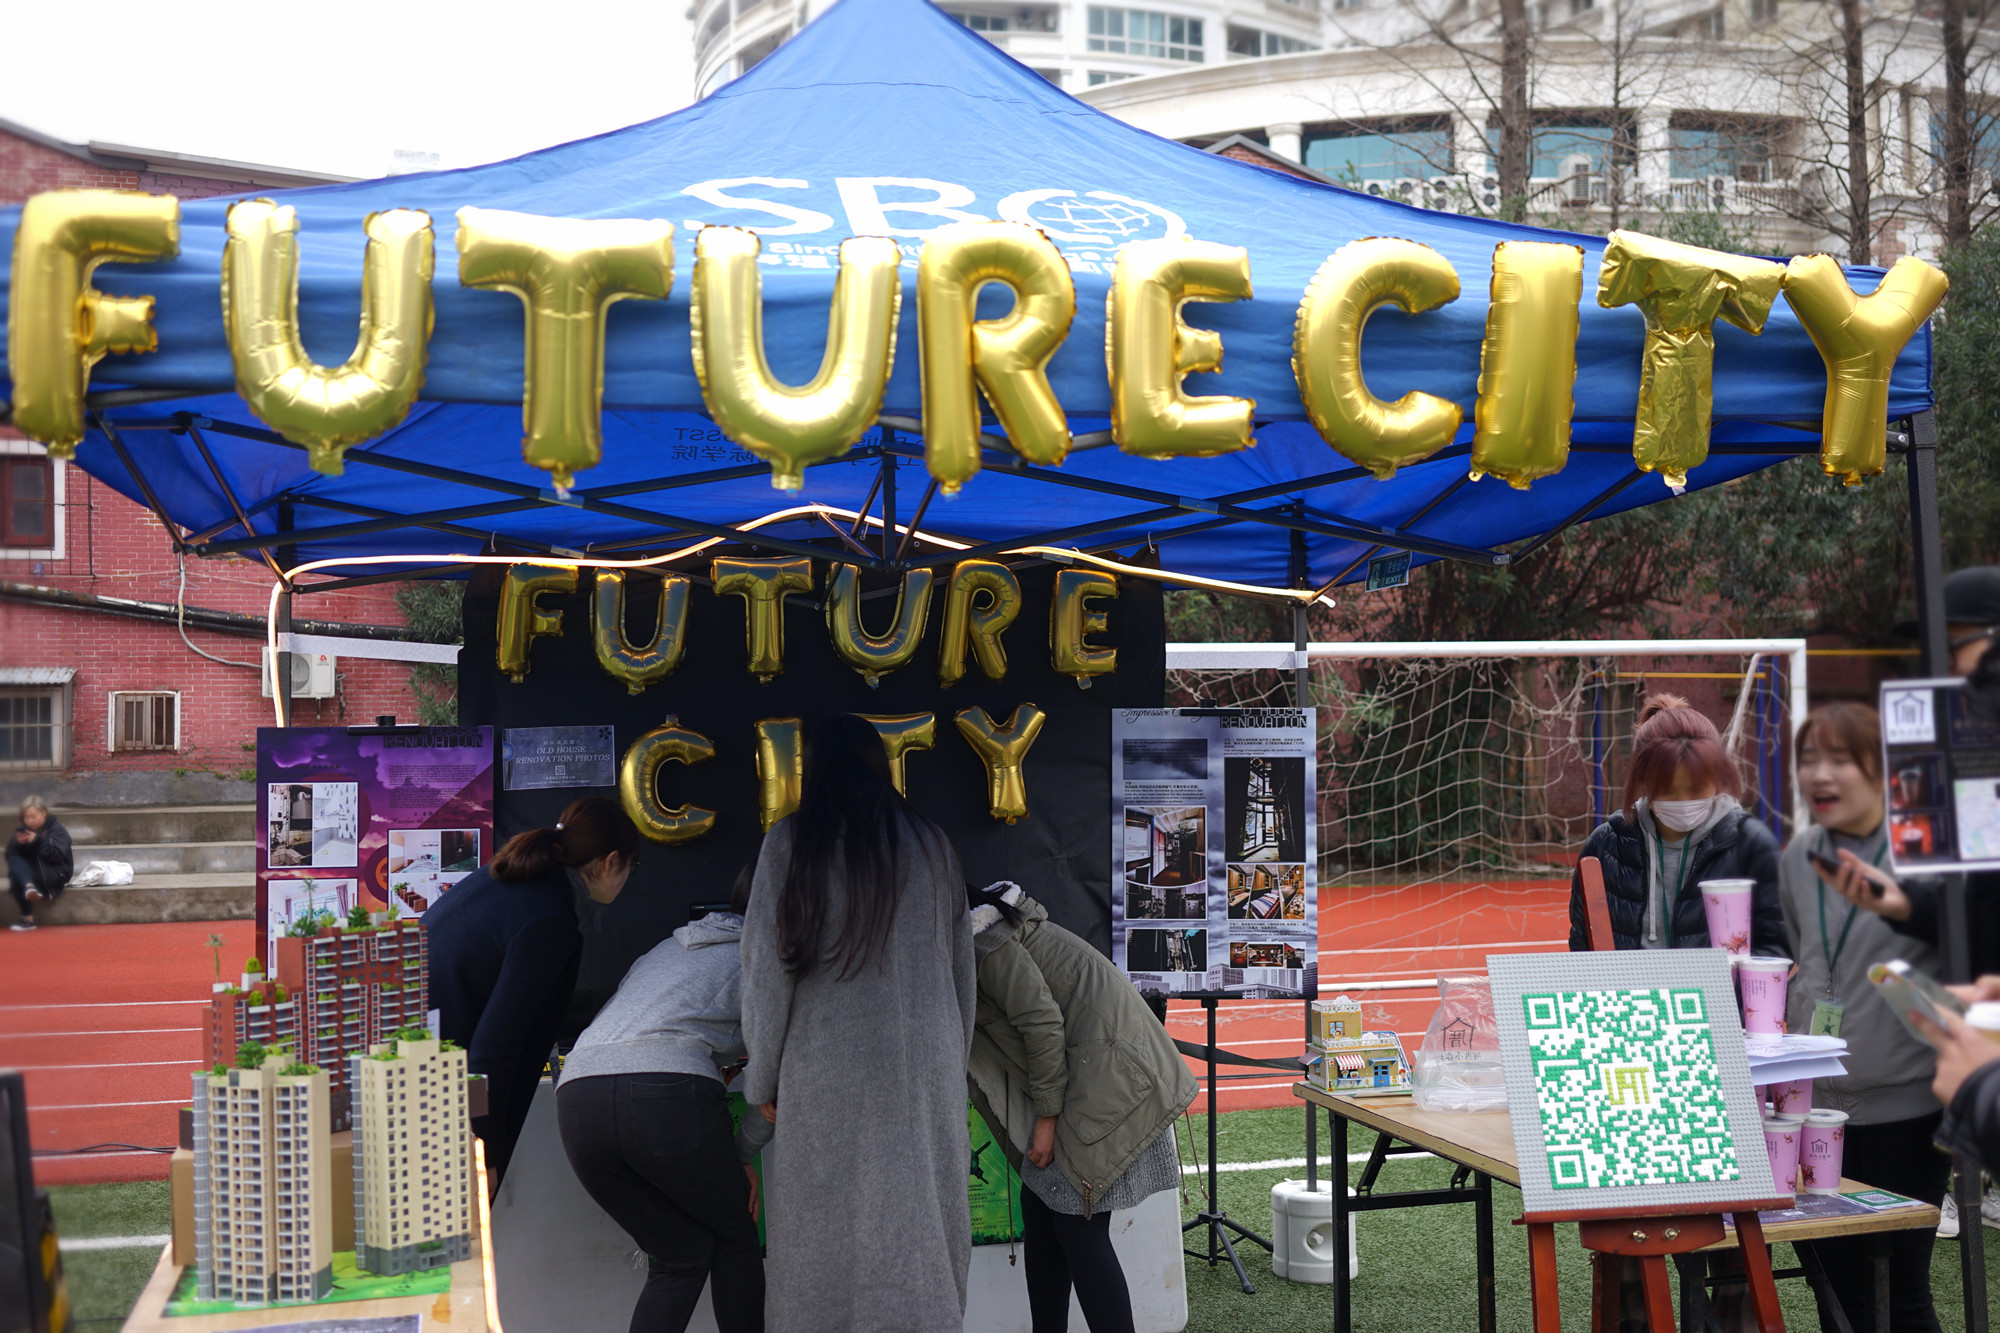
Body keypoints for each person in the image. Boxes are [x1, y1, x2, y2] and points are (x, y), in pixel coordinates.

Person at [740, 714, 976, 1333]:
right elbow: (963, 974)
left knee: (822, 1238)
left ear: (811, 770)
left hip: (827, 1069)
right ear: (881, 765)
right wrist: (948, 1067)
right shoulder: (934, 844)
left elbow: (766, 973)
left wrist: (762, 1080)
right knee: (923, 1225)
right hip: (925, 1066)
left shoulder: (791, 843)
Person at [1778, 703, 1948, 1333]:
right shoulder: (1798, 856)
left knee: (1899, 1294)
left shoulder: (1926, 853)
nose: (1819, 774)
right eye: (1808, 759)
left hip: (1906, 1113)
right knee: (1836, 1291)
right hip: (1814, 1109)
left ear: (1881, 770)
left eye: (1840, 759)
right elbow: (1801, 954)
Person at [964, 880, 1194, 1333]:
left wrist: (1047, 1118)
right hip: (1090, 1070)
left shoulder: (985, 944)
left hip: (1111, 1078)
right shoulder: (983, 935)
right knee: (1040, 1209)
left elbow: (1042, 1024)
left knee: (1077, 1226)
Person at [557, 860, 769, 1333]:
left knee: (680, 1253)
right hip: (663, 1092)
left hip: (577, 1098)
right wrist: (740, 1155)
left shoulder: (665, 949)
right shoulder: (767, 960)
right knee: (735, 1233)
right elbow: (772, 1081)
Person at [426, 795, 640, 1189]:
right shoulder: (547, 919)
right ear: (610, 862)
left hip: (407, 1072)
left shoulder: (506, 881)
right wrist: (484, 1155)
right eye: (632, 866)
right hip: (436, 1103)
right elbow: (496, 1048)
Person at [1567, 694, 1784, 954]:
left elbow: (1777, 942)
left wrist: (1729, 978)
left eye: (1696, 789)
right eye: (1667, 790)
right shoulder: (1605, 846)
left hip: (1719, 983)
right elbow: (1583, 941)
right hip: (1632, 982)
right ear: (1642, 781)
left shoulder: (1750, 843)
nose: (1683, 801)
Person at [8, 796, 73, 932]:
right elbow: (10, 855)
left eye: (34, 816)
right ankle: (29, 887)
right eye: (26, 818)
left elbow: (56, 857)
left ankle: (28, 919)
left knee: (16, 878)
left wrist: (38, 841)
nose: (30, 821)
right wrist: (17, 844)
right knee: (14, 860)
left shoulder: (57, 830)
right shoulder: (26, 830)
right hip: (34, 872)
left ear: (44, 813)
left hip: (56, 873)